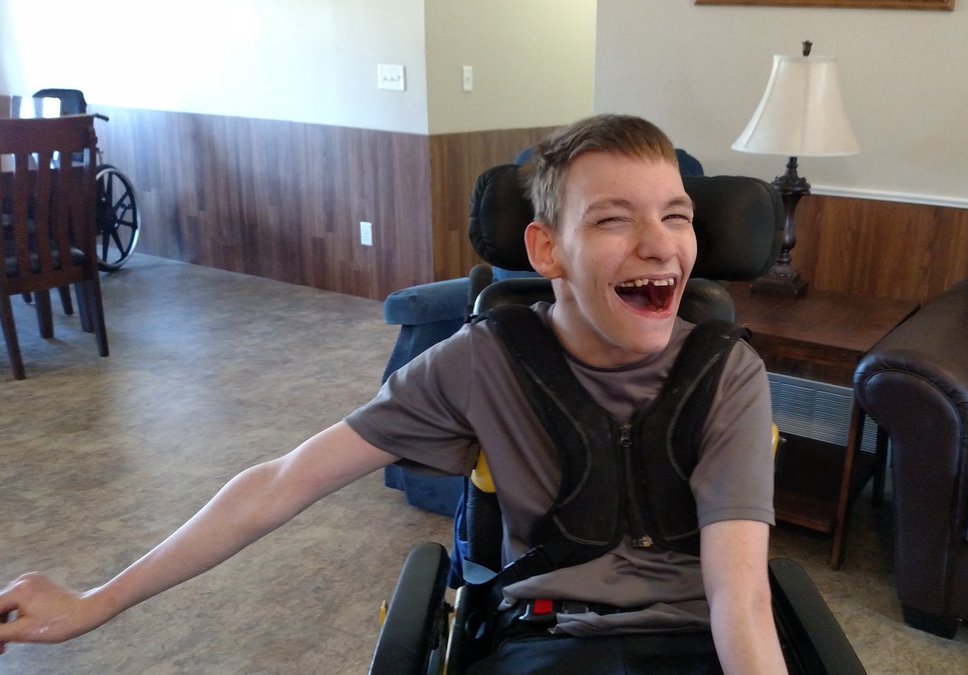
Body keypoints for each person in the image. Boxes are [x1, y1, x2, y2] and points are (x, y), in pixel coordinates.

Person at [0, 114, 787, 673]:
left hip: (699, 643)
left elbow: (741, 596)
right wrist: (97, 600)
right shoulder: (482, 361)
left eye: (676, 215)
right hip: (548, 643)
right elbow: (282, 481)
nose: (659, 242)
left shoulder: (727, 373)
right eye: (615, 219)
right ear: (547, 250)